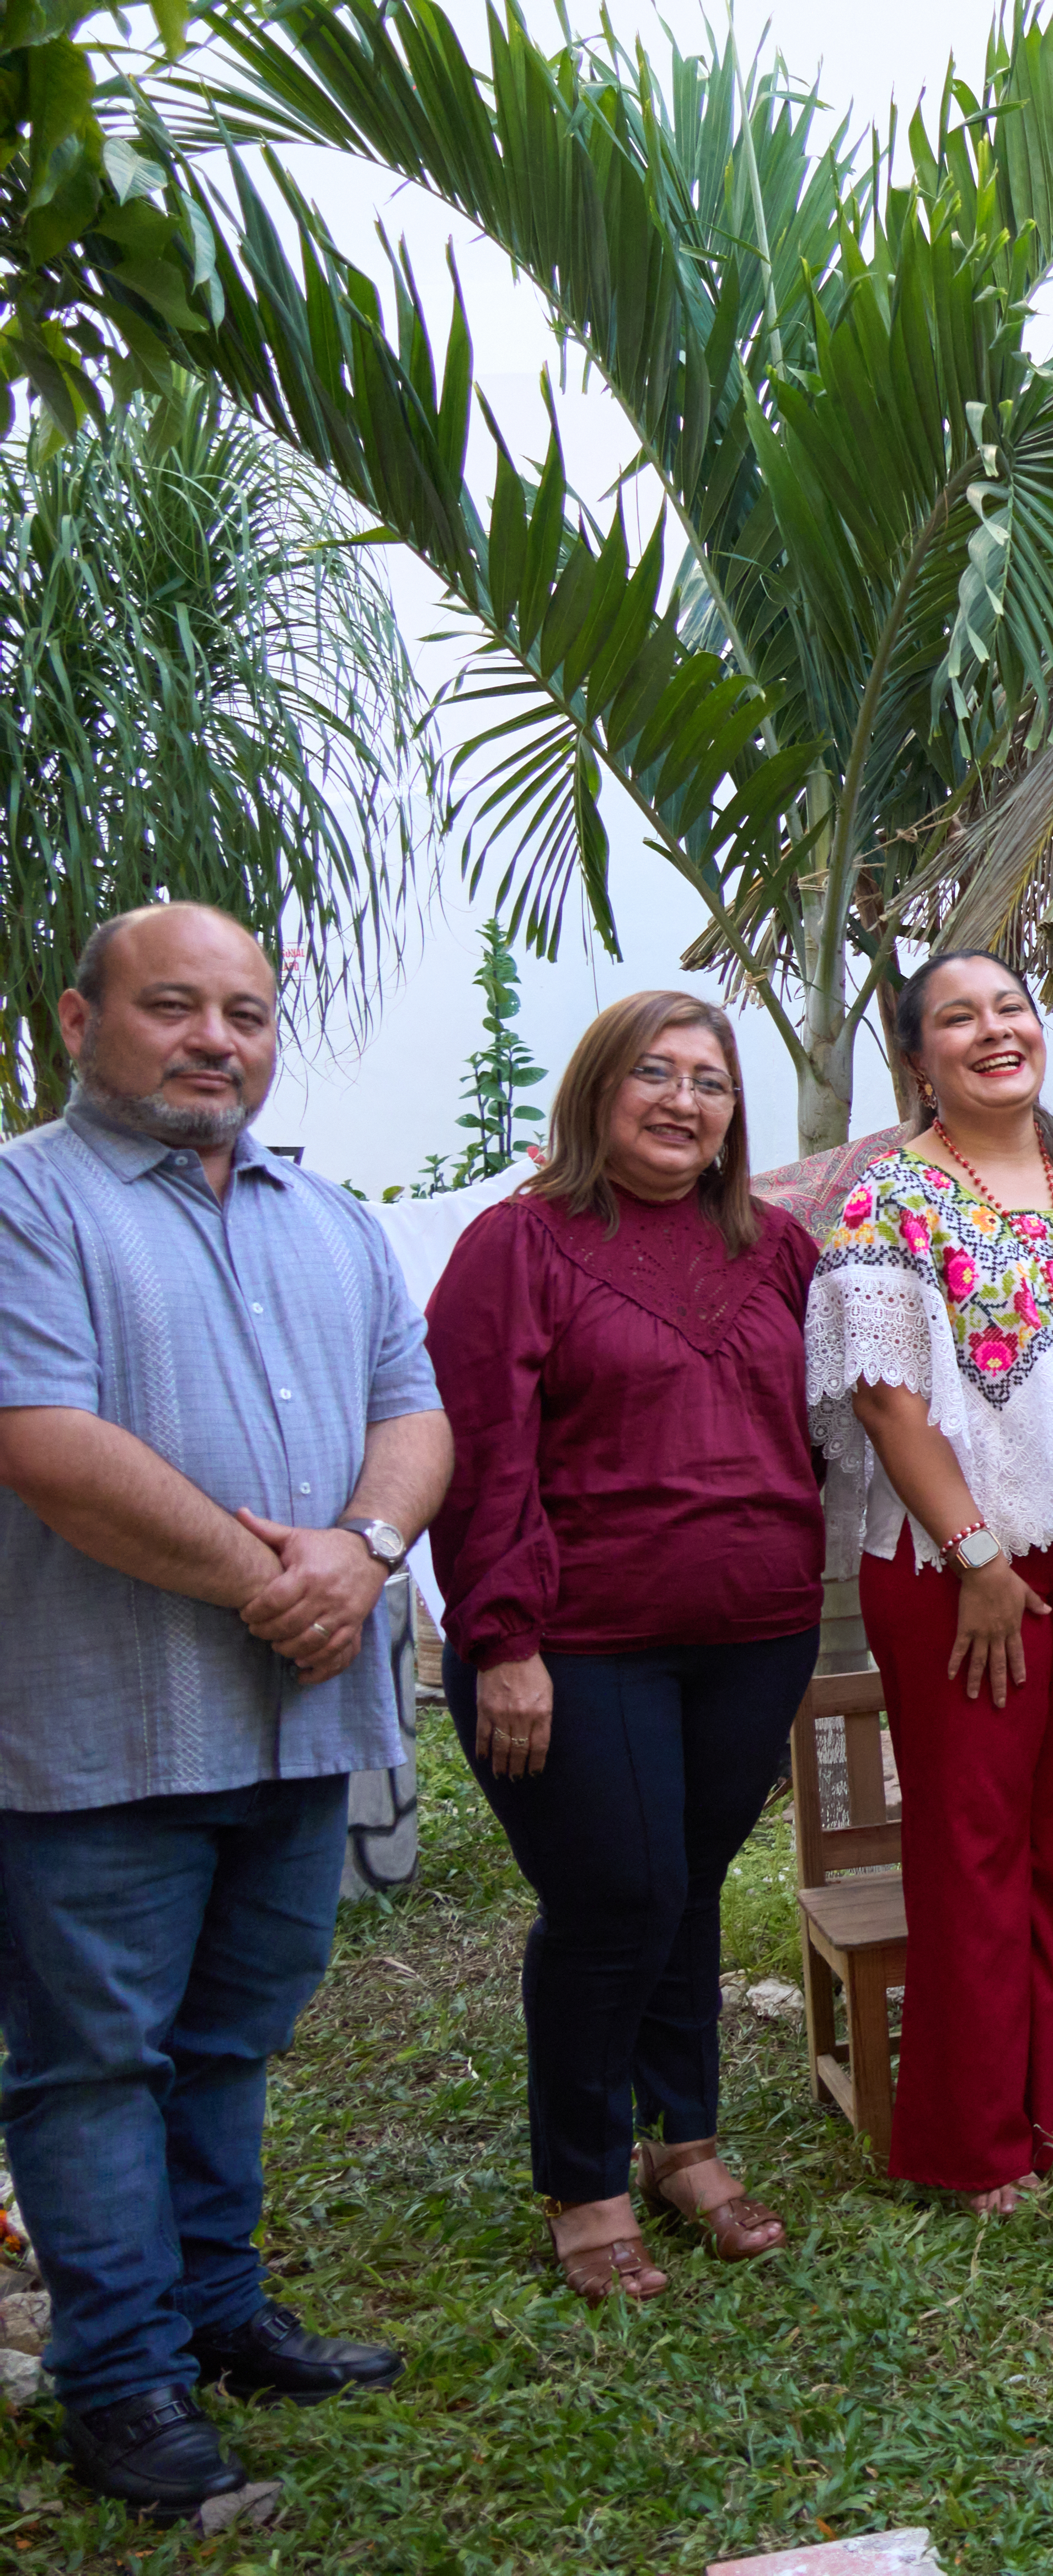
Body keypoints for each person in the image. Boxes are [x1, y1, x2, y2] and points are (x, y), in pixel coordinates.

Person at [0, 904, 448, 2518]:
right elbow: (41, 1439)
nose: (216, 1041)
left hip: (299, 1728)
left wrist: (367, 1548)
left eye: (245, 1014)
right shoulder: (22, 1201)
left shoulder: (330, 1219)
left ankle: (213, 2308)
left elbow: (414, 1413)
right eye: (175, 1007)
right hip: (100, 1725)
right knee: (92, 2060)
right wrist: (280, 1583)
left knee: (233, 2037)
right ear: (79, 1018)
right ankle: (119, 2381)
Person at [421, 990, 822, 2300]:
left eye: (709, 1080)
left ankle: (686, 2143)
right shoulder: (519, 1243)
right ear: (598, 1090)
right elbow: (482, 1457)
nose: (682, 1099)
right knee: (613, 1902)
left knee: (688, 1887)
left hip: (752, 1630)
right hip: (574, 1640)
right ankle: (585, 2177)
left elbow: (817, 1423)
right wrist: (504, 1638)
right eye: (652, 1072)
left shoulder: (778, 1251)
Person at [811, 949, 1053, 2213]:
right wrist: (975, 1551)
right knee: (974, 1840)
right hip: (963, 1562)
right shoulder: (894, 1195)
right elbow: (884, 1393)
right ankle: (971, 2138)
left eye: (1012, 1007)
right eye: (959, 1018)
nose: (994, 1031)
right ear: (918, 1056)